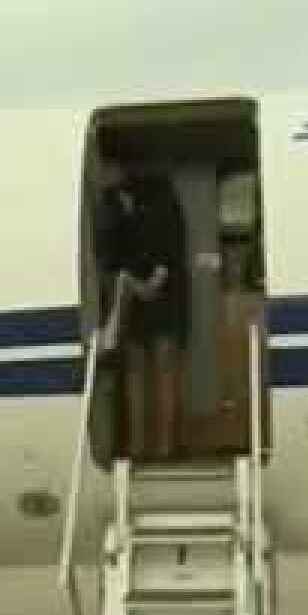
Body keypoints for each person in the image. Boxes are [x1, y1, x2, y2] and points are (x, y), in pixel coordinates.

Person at [95, 166, 189, 460]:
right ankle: (138, 445)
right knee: (136, 366)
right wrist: (133, 282)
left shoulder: (161, 192)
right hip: (131, 287)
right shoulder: (111, 201)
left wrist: (156, 279)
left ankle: (164, 446)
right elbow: (108, 251)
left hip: (165, 286)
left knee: (163, 362)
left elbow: (173, 239)